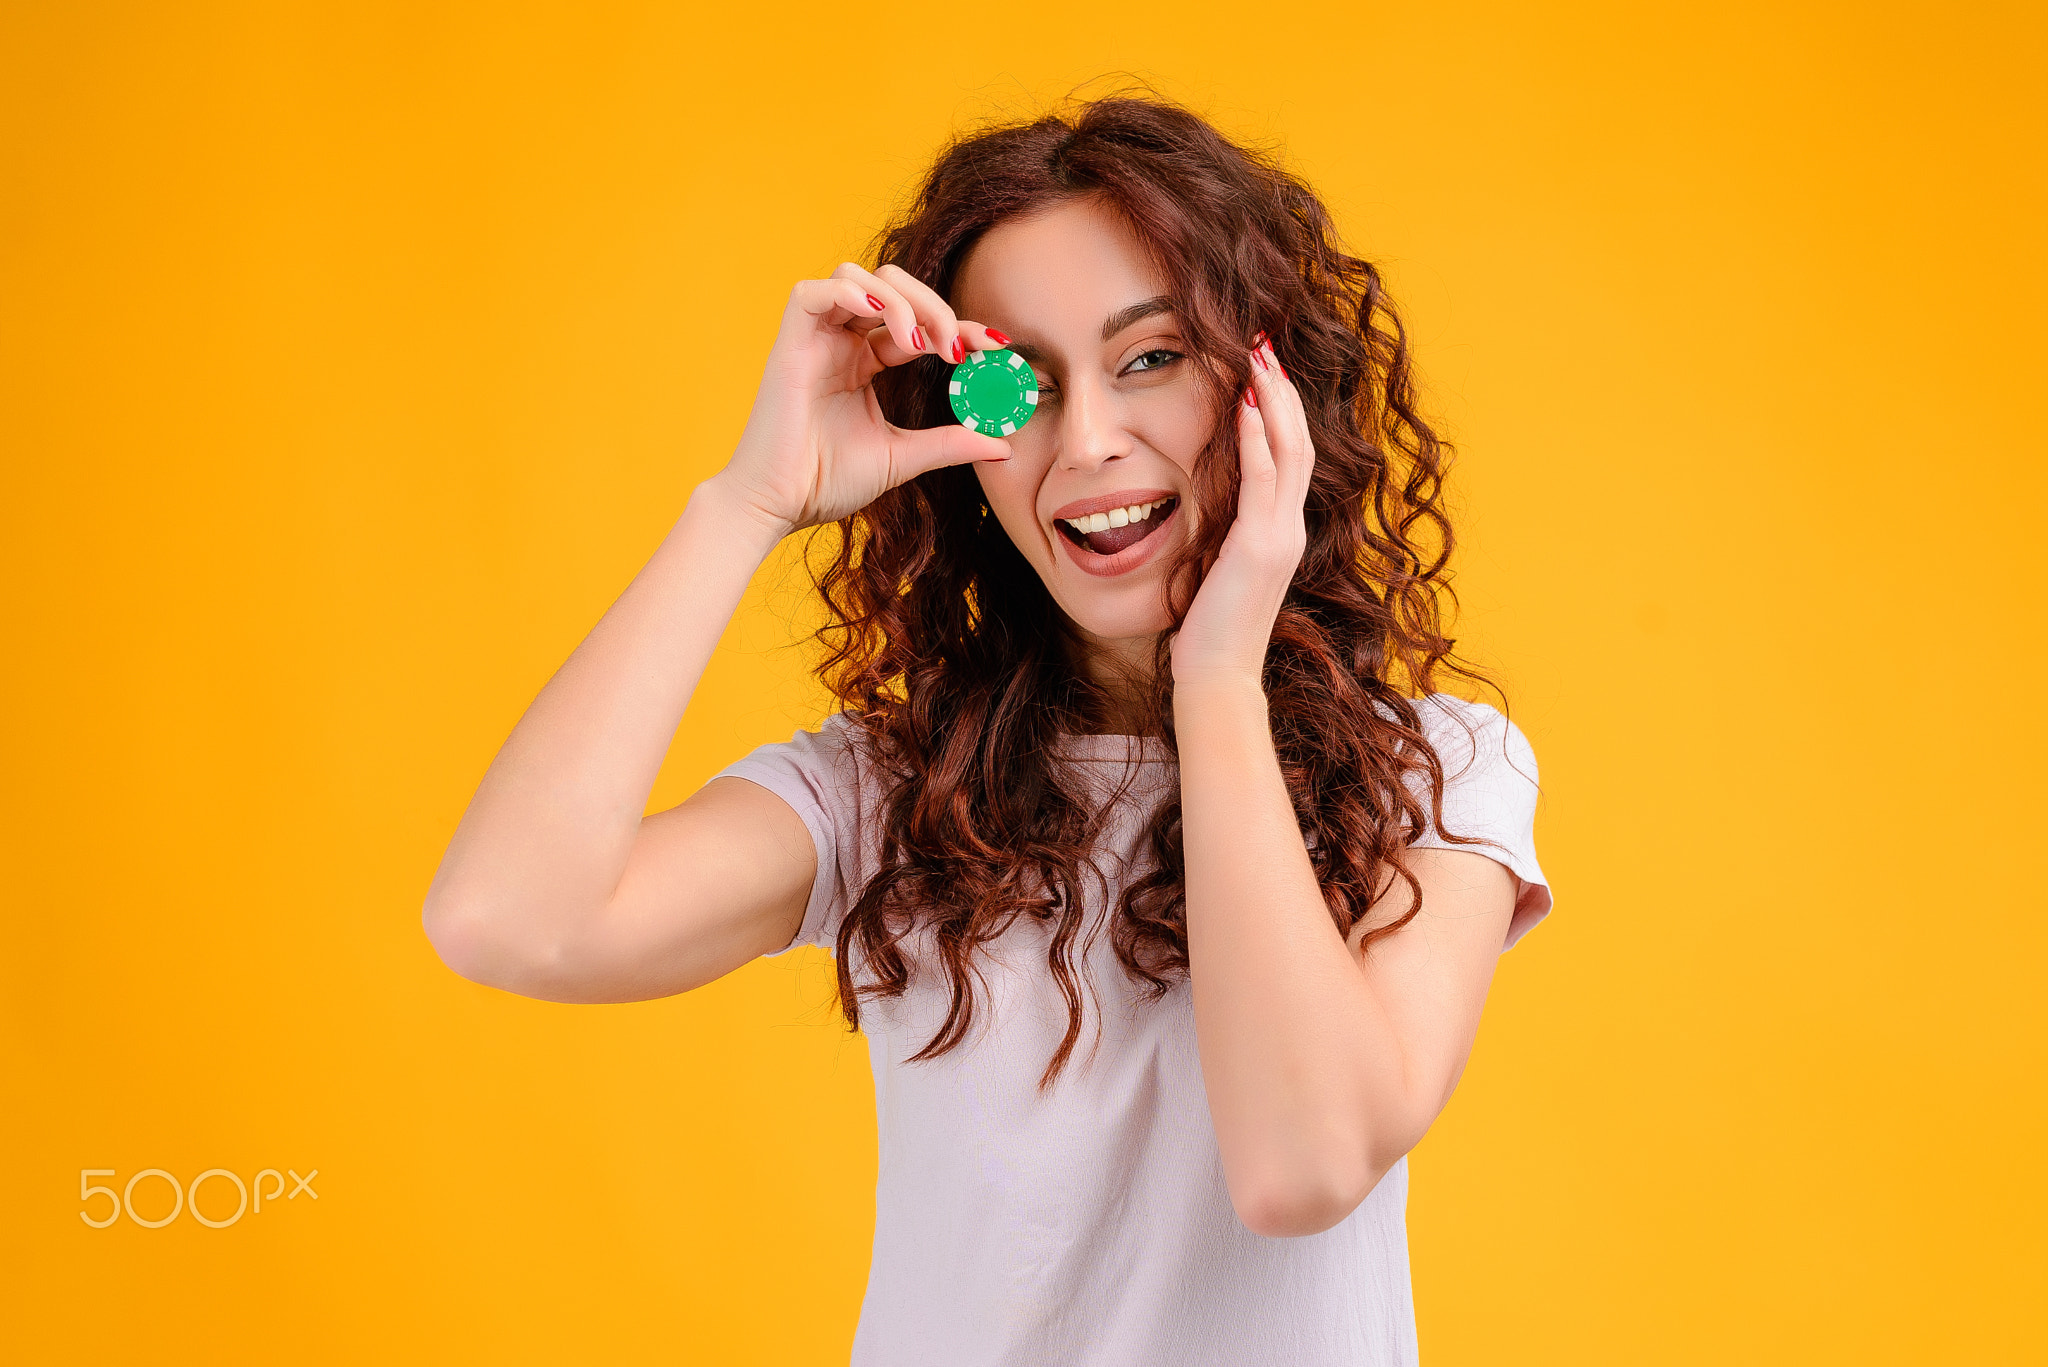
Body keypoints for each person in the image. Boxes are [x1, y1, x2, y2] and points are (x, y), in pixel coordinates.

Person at [423, 93, 1552, 1366]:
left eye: (1150, 358)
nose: (1085, 443)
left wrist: (1216, 677)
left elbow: (1300, 1167)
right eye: (1023, 382)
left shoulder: (1439, 773)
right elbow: (506, 919)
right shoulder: (888, 789)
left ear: (1265, 387)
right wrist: (747, 499)